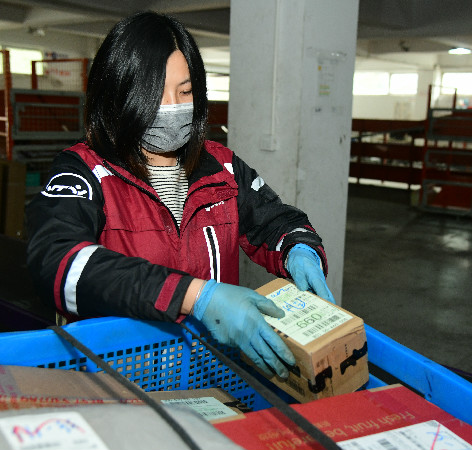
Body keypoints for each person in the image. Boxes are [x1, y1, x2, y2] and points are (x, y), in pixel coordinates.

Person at [25, 11, 335, 380]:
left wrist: (299, 248)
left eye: (185, 92)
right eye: (156, 92)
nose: (173, 106)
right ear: (119, 94)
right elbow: (58, 263)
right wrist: (195, 296)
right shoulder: (84, 172)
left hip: (213, 374)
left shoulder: (222, 167)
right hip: (121, 380)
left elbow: (275, 221)